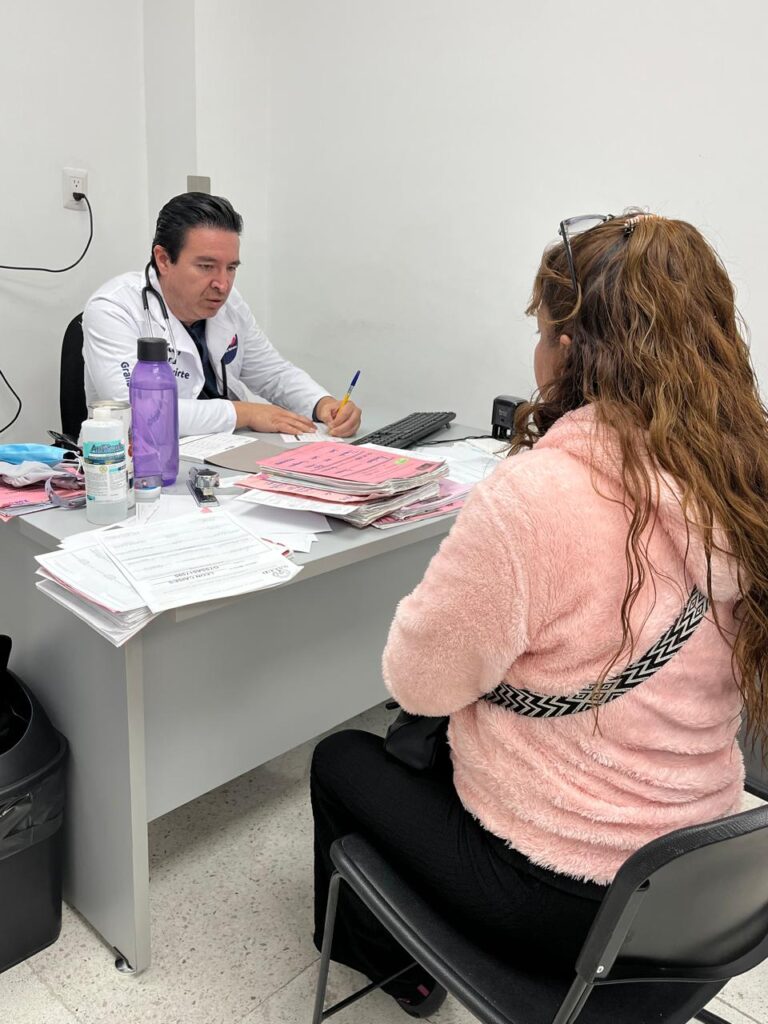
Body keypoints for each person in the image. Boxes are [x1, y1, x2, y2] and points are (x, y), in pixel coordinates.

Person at [310, 211, 768, 1017]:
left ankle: (400, 975)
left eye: (542, 330)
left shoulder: (535, 499)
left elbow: (418, 683)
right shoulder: (743, 477)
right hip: (696, 888)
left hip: (559, 898)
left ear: (571, 347)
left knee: (343, 758)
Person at [82, 193, 362, 438]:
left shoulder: (229, 304)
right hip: (144, 463)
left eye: (231, 268)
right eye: (206, 266)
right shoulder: (113, 309)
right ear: (164, 259)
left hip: (225, 450)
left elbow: (273, 373)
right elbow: (139, 411)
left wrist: (321, 403)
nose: (223, 284)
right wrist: (245, 413)